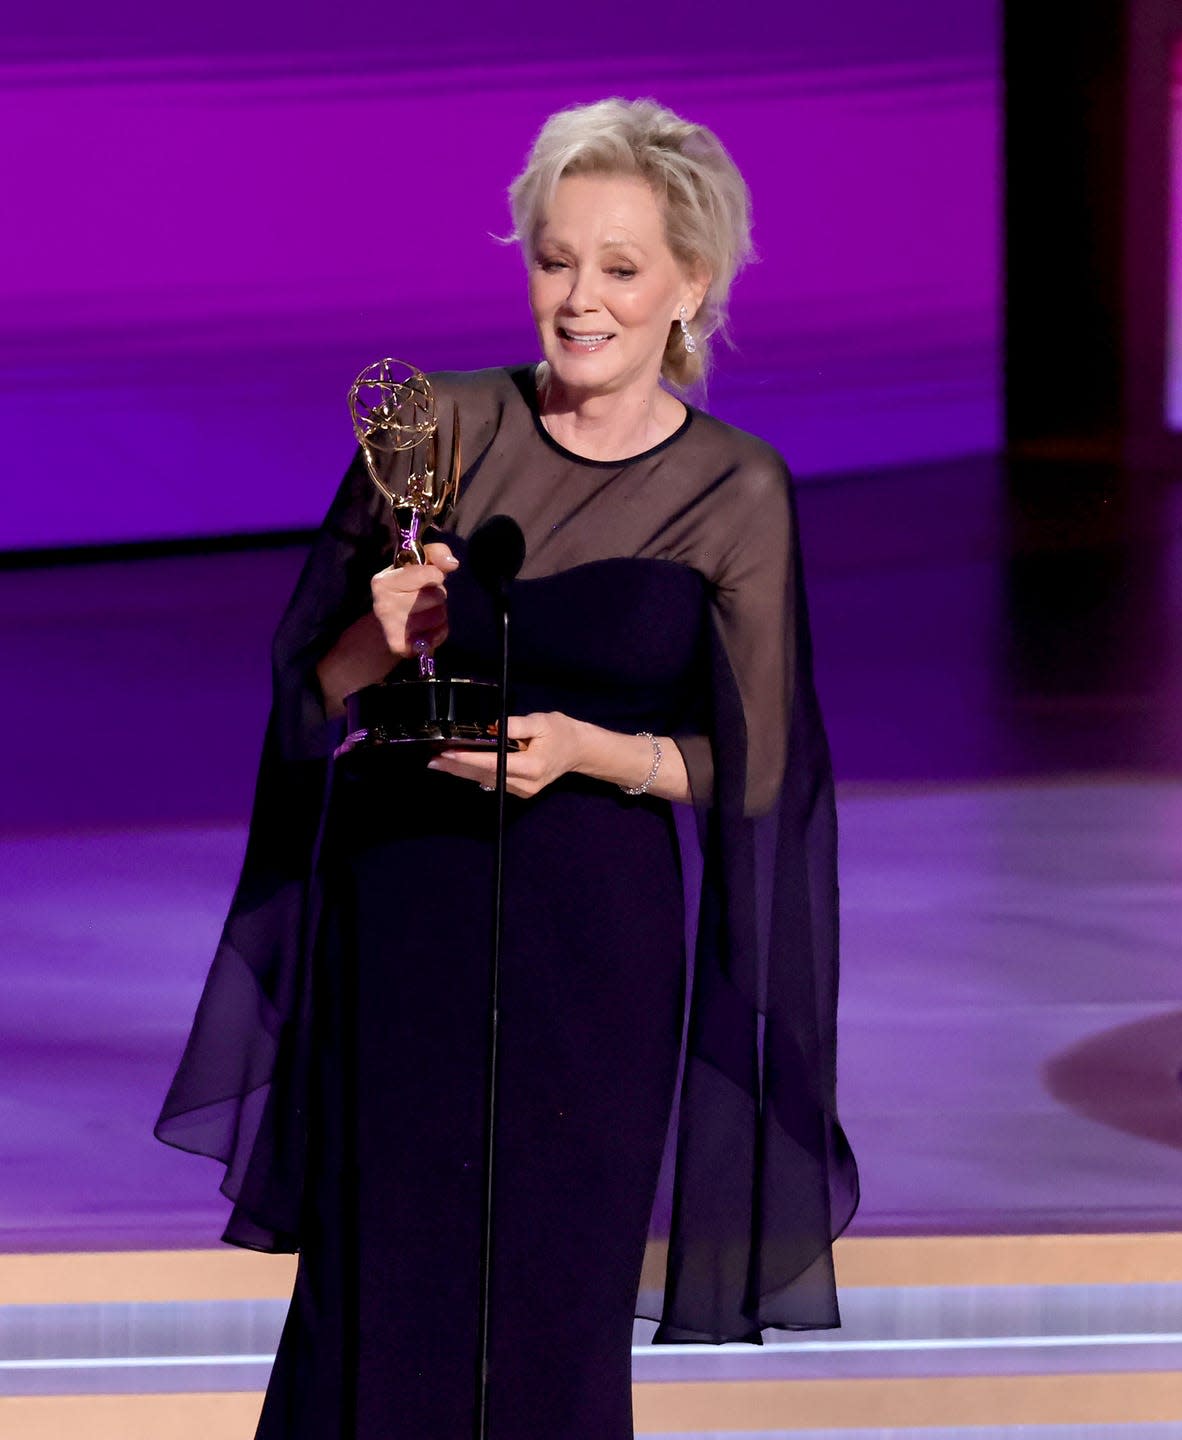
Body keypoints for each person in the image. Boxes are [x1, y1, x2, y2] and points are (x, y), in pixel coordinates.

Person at [156, 96, 860, 1439]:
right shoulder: (436, 431)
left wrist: (603, 752)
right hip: (406, 911)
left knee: (554, 1282)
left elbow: (765, 770)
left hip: (591, 935)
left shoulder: (735, 490)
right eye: (553, 260)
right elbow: (311, 691)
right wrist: (380, 630)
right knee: (385, 1281)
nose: (578, 299)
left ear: (689, 286)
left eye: (618, 267)